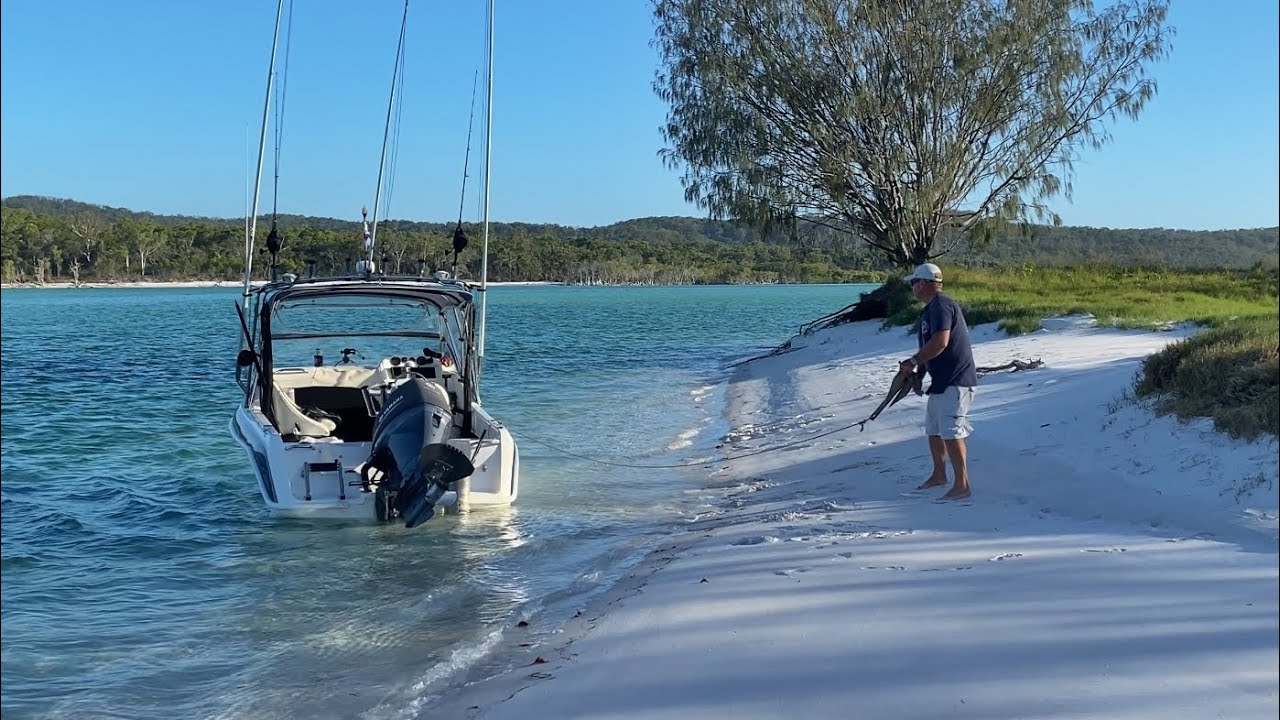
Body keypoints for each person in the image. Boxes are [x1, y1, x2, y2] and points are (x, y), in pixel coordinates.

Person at [898, 263, 978, 500]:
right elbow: (928, 346)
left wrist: (912, 361)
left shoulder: (942, 305)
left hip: (956, 380)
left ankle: (962, 485)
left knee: (952, 431)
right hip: (941, 381)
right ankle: (939, 474)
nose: (913, 287)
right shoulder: (928, 310)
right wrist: (919, 375)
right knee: (934, 429)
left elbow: (941, 342)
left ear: (923, 283)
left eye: (914, 283)